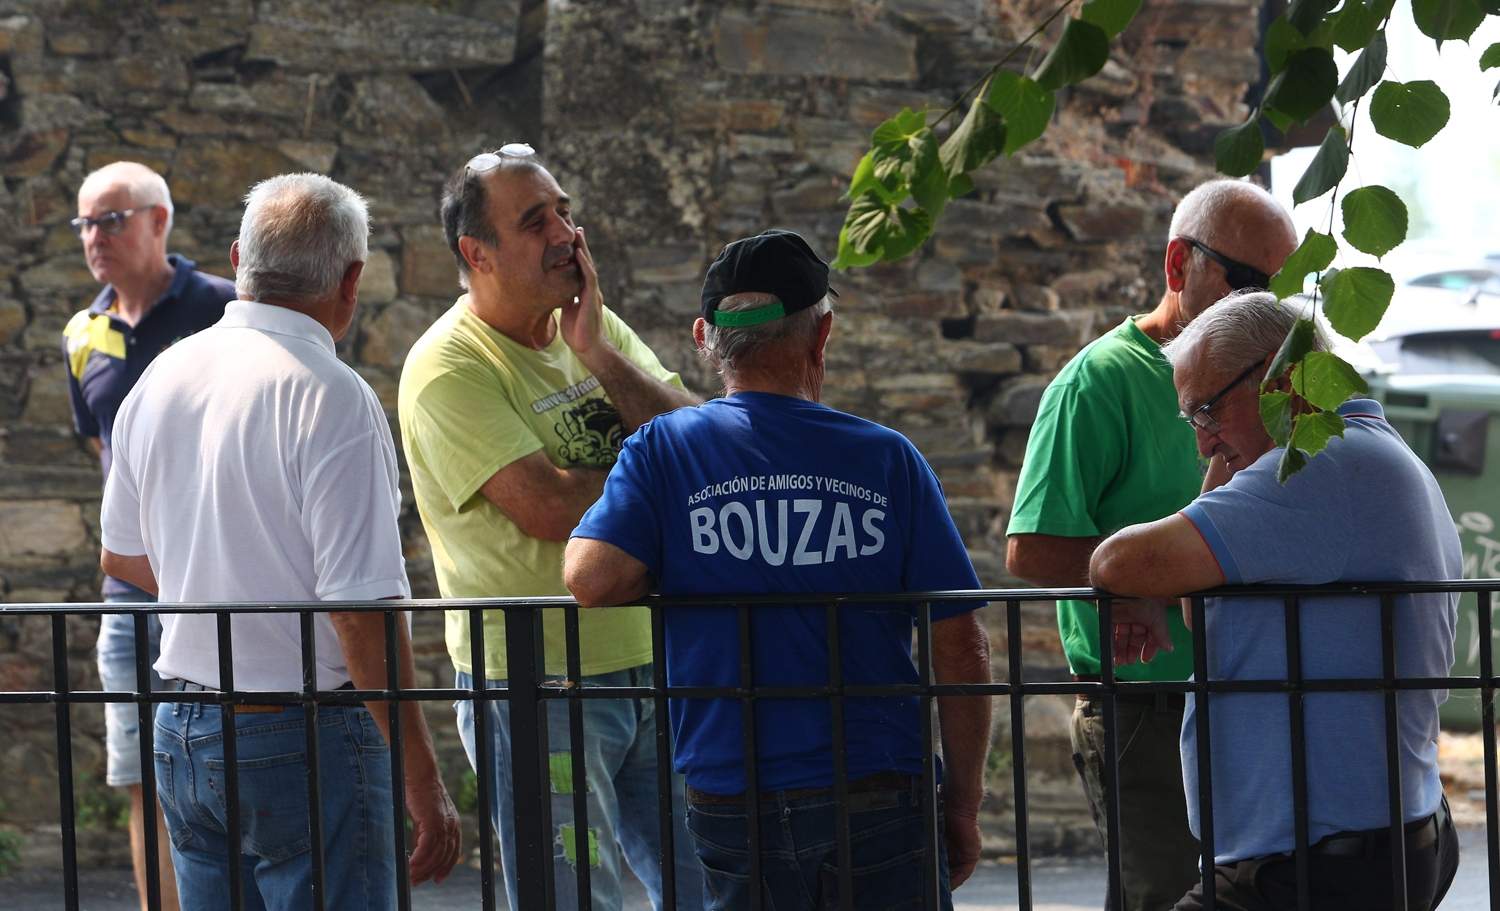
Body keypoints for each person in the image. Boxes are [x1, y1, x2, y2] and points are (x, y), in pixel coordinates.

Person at [563, 229, 994, 910]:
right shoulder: (889, 459)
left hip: (732, 792)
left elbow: (590, 578)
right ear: (822, 336)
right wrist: (964, 802)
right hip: (878, 787)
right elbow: (960, 642)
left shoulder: (662, 452)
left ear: (707, 338)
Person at [98, 173, 461, 910]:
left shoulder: (163, 376)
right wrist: (424, 779)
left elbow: (119, 554)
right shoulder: (332, 394)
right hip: (305, 731)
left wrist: (218, 585)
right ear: (351, 279)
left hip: (184, 723)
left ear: (238, 259)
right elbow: (361, 611)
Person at [398, 144, 703, 911]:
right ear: (479, 253)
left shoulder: (594, 330)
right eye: (535, 221)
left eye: (565, 210)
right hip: (539, 682)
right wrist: (657, 482)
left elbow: (701, 446)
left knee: (714, 889)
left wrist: (598, 352)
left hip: (651, 660)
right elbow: (547, 507)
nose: (565, 231)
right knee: (573, 899)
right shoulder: (447, 365)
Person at [1090, 291, 1461, 911]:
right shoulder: (1361, 450)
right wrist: (1225, 467)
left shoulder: (1315, 464)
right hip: (1339, 847)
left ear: (1282, 378)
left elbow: (1117, 562)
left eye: (1207, 411)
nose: (1203, 443)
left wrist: (1139, 586)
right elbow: (1197, 606)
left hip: (1311, 865)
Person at [1004, 179, 1298, 910]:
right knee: (1165, 895)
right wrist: (1138, 578)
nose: (1271, 306)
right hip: (1148, 706)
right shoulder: (1098, 382)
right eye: (1253, 282)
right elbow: (1032, 550)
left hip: (1254, 695)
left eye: (1287, 290)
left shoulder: (1277, 379)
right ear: (1178, 265)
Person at [62, 160, 234, 911]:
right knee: (144, 776)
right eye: (84, 224)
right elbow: (106, 454)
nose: (94, 237)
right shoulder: (82, 331)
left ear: (159, 220)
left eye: (111, 219)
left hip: (226, 583)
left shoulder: (224, 310)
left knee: (237, 763)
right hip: (130, 593)